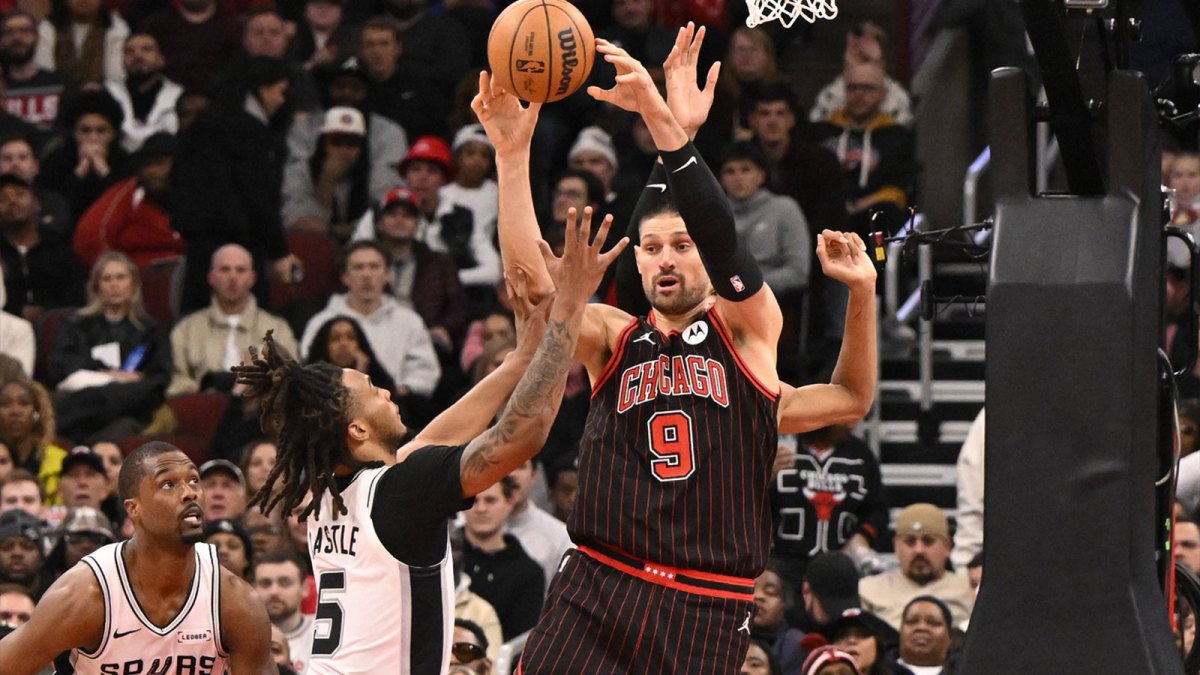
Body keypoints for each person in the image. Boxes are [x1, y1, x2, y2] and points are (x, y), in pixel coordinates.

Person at [475, 24, 875, 673]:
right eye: (653, 247)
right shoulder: (612, 335)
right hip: (599, 582)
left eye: (682, 246)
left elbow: (850, 394)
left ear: (708, 256)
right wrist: (512, 158)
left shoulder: (748, 329)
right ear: (636, 259)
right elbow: (532, 284)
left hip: (704, 601)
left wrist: (670, 130)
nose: (666, 258)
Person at [233, 201, 625, 673]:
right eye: (372, 390)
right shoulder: (400, 491)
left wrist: (521, 360)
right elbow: (522, 435)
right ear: (356, 429)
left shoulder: (336, 493)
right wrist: (569, 305)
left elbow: (434, 438)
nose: (384, 389)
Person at [0, 441, 276, 674]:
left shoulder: (233, 600)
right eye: (169, 484)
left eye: (193, 480)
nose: (190, 493)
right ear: (134, 509)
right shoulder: (87, 593)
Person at [47, 251, 171, 443]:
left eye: (121, 277)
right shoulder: (75, 325)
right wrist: (109, 376)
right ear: (96, 286)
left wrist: (129, 383)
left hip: (128, 409)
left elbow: (159, 377)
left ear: (134, 284)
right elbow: (61, 366)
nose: (114, 285)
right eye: (107, 279)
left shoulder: (152, 330)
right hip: (79, 404)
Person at [168, 243, 298, 396]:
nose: (233, 277)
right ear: (211, 277)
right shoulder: (186, 329)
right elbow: (175, 380)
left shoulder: (277, 328)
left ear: (252, 278)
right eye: (225, 269)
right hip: (203, 410)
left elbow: (292, 379)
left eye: (240, 270)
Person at [71, 131, 186, 269]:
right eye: (147, 164)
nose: (151, 171)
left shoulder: (199, 195)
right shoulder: (128, 192)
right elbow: (90, 236)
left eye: (159, 163)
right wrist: (117, 272)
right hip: (136, 279)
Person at [859, 504, 974, 630]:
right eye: (910, 541)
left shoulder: (968, 590)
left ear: (947, 546)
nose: (919, 550)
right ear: (896, 546)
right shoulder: (868, 590)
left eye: (928, 541)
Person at [459, 478, 545, 641]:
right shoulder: (441, 556)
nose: (481, 508)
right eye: (473, 501)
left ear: (510, 503)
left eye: (490, 500)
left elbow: (519, 642)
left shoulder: (528, 574)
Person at [105, 33, 182, 153]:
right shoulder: (108, 94)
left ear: (161, 59)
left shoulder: (178, 95)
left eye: (147, 49)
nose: (138, 55)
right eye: (130, 51)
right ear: (122, 61)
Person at [0, 380, 66, 500]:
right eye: (5, 404)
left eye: (24, 403)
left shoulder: (61, 462)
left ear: (37, 413)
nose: (15, 411)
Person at [252, 550, 312, 674]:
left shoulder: (323, 633)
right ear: (253, 589)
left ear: (305, 587)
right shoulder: (238, 637)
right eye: (265, 583)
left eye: (284, 583)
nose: (274, 591)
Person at [306, 315, 399, 394]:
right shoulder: (309, 386)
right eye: (335, 338)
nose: (344, 344)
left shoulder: (382, 387)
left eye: (351, 337)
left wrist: (361, 376)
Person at [891, 596, 953, 674]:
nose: (921, 627)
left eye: (933, 622)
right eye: (912, 621)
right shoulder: (877, 669)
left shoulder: (966, 669)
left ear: (950, 637)